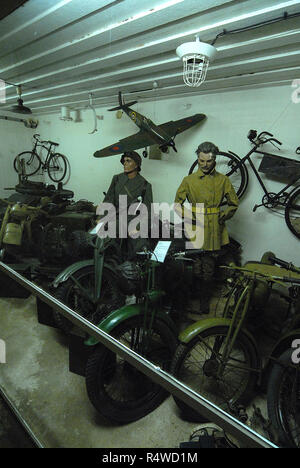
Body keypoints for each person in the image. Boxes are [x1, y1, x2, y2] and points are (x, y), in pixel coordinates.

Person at [174, 141, 239, 313]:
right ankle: (190, 299)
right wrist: (189, 217)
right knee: (194, 265)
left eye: (208, 161)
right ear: (197, 159)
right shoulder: (188, 180)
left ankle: (204, 302)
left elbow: (233, 203)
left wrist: (223, 216)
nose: (204, 165)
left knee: (209, 267)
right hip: (194, 225)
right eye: (201, 161)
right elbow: (177, 204)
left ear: (215, 160)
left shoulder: (223, 180)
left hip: (213, 227)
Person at [98, 151, 153, 258]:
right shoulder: (117, 179)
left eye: (128, 161)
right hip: (116, 218)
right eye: (124, 161)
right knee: (98, 240)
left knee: (138, 248)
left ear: (136, 164)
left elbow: (148, 211)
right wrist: (101, 218)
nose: (125, 163)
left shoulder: (145, 185)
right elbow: (108, 200)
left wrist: (137, 227)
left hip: (133, 221)